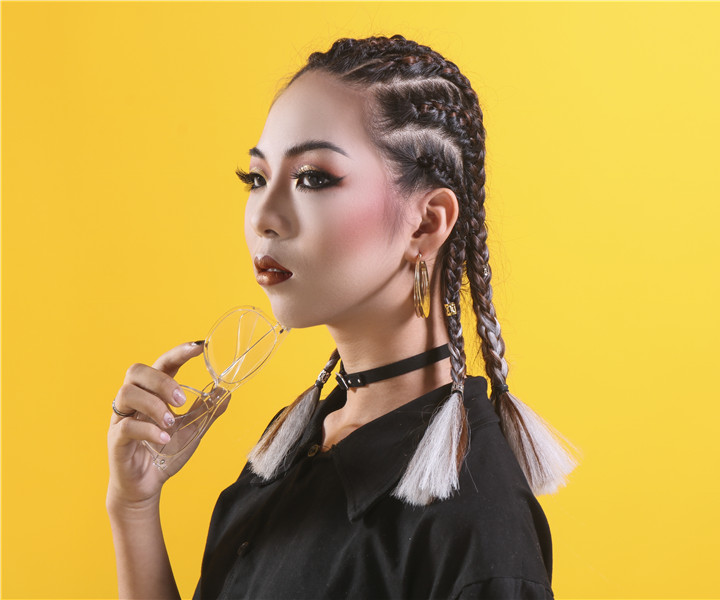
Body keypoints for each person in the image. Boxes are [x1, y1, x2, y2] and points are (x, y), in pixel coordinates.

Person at [107, 34, 578, 599]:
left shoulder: (475, 525)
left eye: (313, 178)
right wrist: (134, 506)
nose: (264, 216)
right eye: (256, 178)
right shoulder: (298, 447)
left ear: (427, 222)